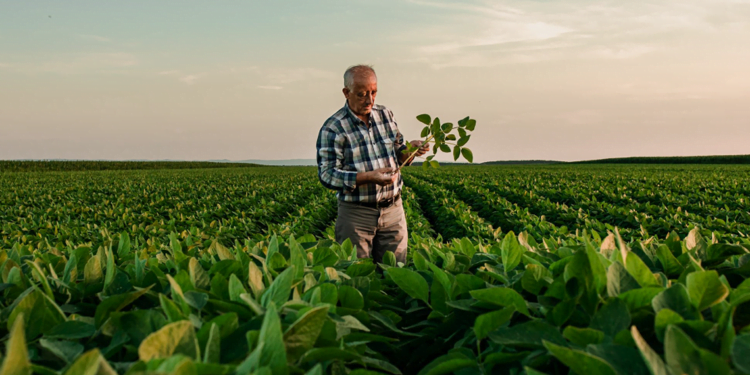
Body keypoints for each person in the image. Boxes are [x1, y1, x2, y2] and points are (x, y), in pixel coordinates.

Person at [316, 65, 429, 264]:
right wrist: (369, 177)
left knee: (396, 274)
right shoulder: (333, 127)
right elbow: (327, 174)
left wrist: (410, 150)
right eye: (361, 94)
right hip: (356, 215)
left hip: (393, 210)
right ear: (346, 93)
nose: (369, 100)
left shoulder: (386, 115)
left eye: (373, 92)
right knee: (357, 275)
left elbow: (399, 153)